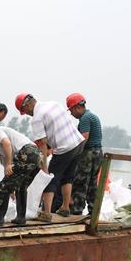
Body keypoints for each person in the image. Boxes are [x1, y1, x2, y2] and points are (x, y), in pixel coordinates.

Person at [15, 93, 85, 221]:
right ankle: (65, 207)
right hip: (78, 143)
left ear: (27, 106)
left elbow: (42, 143)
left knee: (49, 178)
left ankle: (46, 213)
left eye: (24, 111)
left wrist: (44, 167)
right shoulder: (54, 104)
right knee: (67, 177)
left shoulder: (37, 118)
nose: (27, 114)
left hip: (64, 148)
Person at [0, 125, 41, 226]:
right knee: (21, 186)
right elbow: (7, 170)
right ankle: (21, 218)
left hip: (27, 152)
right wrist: (10, 186)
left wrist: (9, 164)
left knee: (3, 185)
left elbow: (7, 143)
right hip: (36, 154)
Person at [66, 93, 103, 215]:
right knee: (92, 183)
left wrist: (75, 153)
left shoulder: (85, 118)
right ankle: (93, 210)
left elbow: (84, 137)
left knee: (81, 181)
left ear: (77, 107)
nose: (71, 114)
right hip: (97, 152)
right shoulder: (93, 116)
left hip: (88, 153)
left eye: (71, 110)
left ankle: (76, 209)